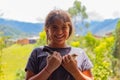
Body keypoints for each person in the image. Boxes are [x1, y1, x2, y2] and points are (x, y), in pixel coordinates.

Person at [25, 9, 94, 80]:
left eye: (64, 27)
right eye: (54, 27)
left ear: (69, 29)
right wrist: (48, 69)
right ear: (47, 29)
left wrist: (75, 71)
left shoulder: (80, 53)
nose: (59, 32)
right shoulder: (37, 52)